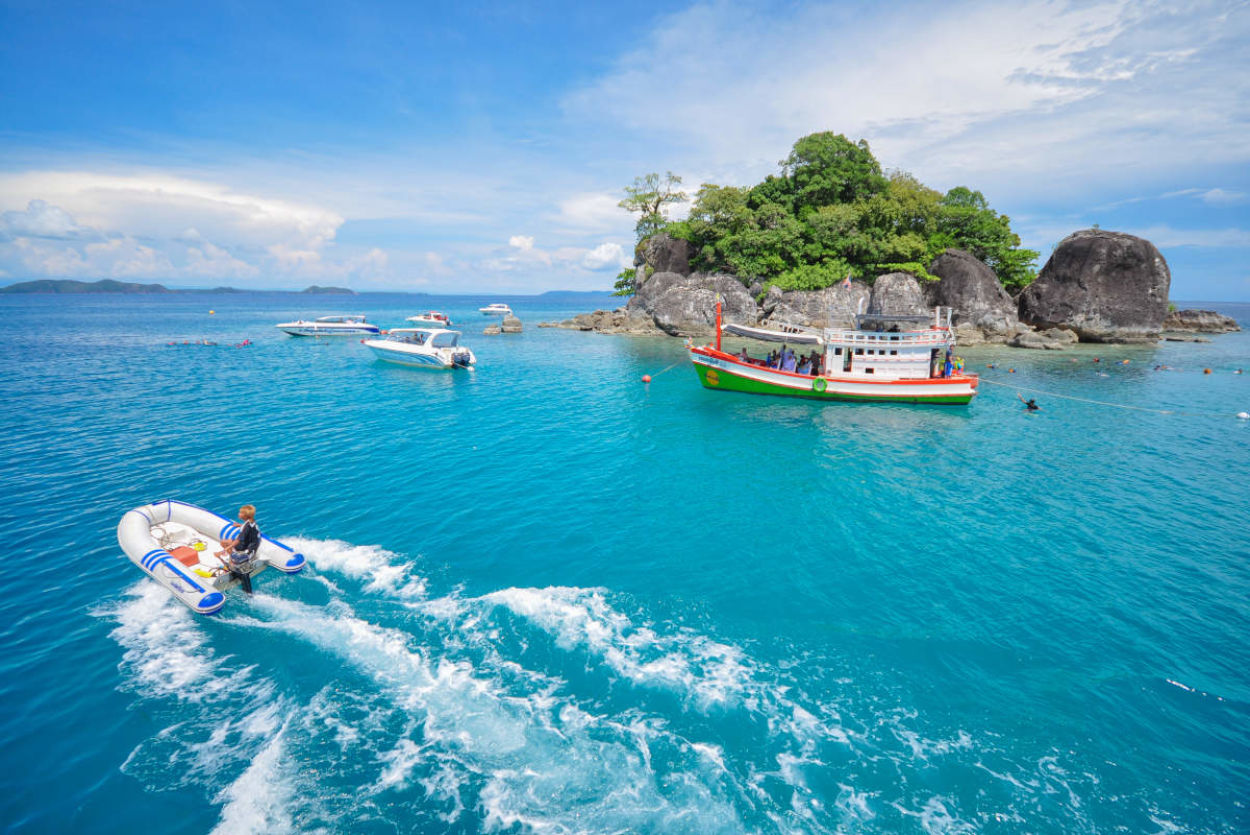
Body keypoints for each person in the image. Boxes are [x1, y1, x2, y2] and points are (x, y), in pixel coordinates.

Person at [215, 504, 261, 594]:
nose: (238, 514)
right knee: (227, 542)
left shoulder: (246, 527)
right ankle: (233, 559)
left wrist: (222, 551)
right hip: (252, 546)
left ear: (245, 515)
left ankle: (232, 562)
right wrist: (240, 525)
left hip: (247, 550)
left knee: (224, 542)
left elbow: (237, 541)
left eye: (240, 513)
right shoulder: (251, 522)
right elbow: (249, 529)